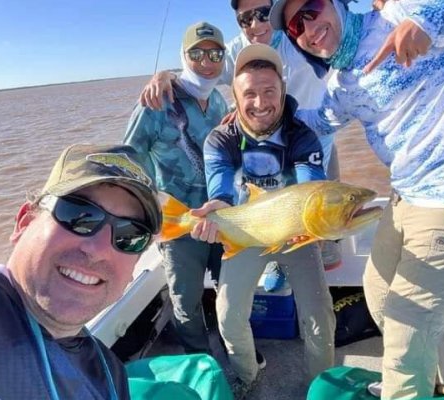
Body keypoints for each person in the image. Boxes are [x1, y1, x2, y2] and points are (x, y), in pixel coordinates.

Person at [269, 0, 444, 398]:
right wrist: (250, 115)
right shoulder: (343, 83)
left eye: (312, 7)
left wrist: (428, 21)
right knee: (377, 291)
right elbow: (317, 120)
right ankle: (414, 377)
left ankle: (405, 379)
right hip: (409, 193)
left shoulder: (399, 12)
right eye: (294, 28)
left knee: (408, 328)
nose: (307, 26)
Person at [142, 0, 344, 273]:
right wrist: (165, 75)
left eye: (263, 14)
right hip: (268, 145)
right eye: (245, 19)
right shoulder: (237, 49)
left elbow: (340, 44)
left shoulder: (300, 34)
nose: (256, 25)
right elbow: (203, 69)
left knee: (324, 226)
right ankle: (276, 268)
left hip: (314, 140)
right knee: (273, 210)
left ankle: (320, 263)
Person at [0, 143, 162, 399]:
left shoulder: (110, 375)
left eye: (130, 235)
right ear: (25, 222)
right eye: (79, 215)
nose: (98, 250)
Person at [191, 43, 336, 399]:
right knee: (227, 314)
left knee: (319, 317)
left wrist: (318, 225)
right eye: (249, 93)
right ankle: (247, 375)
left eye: (269, 91)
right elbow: (221, 189)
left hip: (296, 234)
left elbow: (310, 190)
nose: (260, 102)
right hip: (247, 231)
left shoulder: (302, 136)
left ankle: (324, 384)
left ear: (283, 90)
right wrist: (216, 209)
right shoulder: (221, 139)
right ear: (236, 97)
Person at [124, 21, 229, 356]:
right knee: (186, 299)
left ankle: (235, 346)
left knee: (232, 288)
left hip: (219, 215)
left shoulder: (216, 102)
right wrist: (142, 215)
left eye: (215, 52)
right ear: (183, 55)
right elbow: (129, 160)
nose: (207, 60)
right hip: (177, 223)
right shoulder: (155, 102)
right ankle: (201, 361)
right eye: (197, 52)